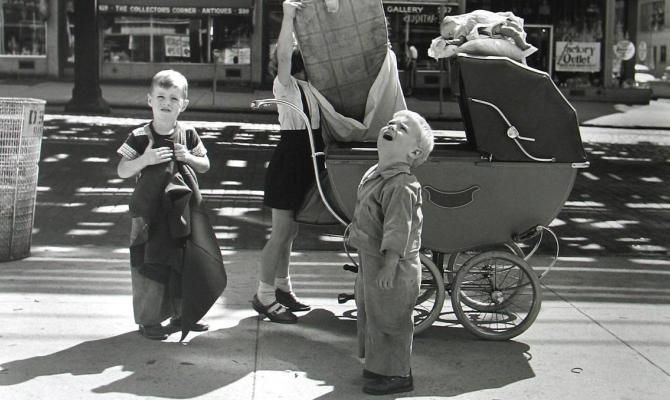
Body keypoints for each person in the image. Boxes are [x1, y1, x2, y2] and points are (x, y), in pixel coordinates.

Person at [117, 69, 212, 340]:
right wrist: (144, 160)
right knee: (147, 264)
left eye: (173, 98)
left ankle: (184, 314)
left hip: (182, 212)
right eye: (160, 96)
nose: (166, 102)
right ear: (149, 100)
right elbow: (122, 170)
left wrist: (190, 158)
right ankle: (149, 320)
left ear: (183, 104)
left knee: (183, 261)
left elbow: (206, 165)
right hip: (147, 214)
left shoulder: (189, 134)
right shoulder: (139, 135)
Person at [347, 109, 434, 395]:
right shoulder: (377, 174)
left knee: (391, 320)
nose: (392, 126)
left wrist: (389, 264)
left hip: (393, 267)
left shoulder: (402, 185)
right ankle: (378, 366)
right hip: (373, 261)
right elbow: (369, 213)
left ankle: (398, 373)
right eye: (392, 123)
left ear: (413, 153)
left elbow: (399, 229)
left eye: (403, 128)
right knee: (373, 315)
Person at [251, 0, 322, 324]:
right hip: (289, 162)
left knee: (290, 232)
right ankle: (264, 296)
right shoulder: (286, 85)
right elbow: (282, 54)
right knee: (280, 233)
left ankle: (282, 288)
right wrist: (289, 16)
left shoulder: (310, 88)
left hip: (303, 161)